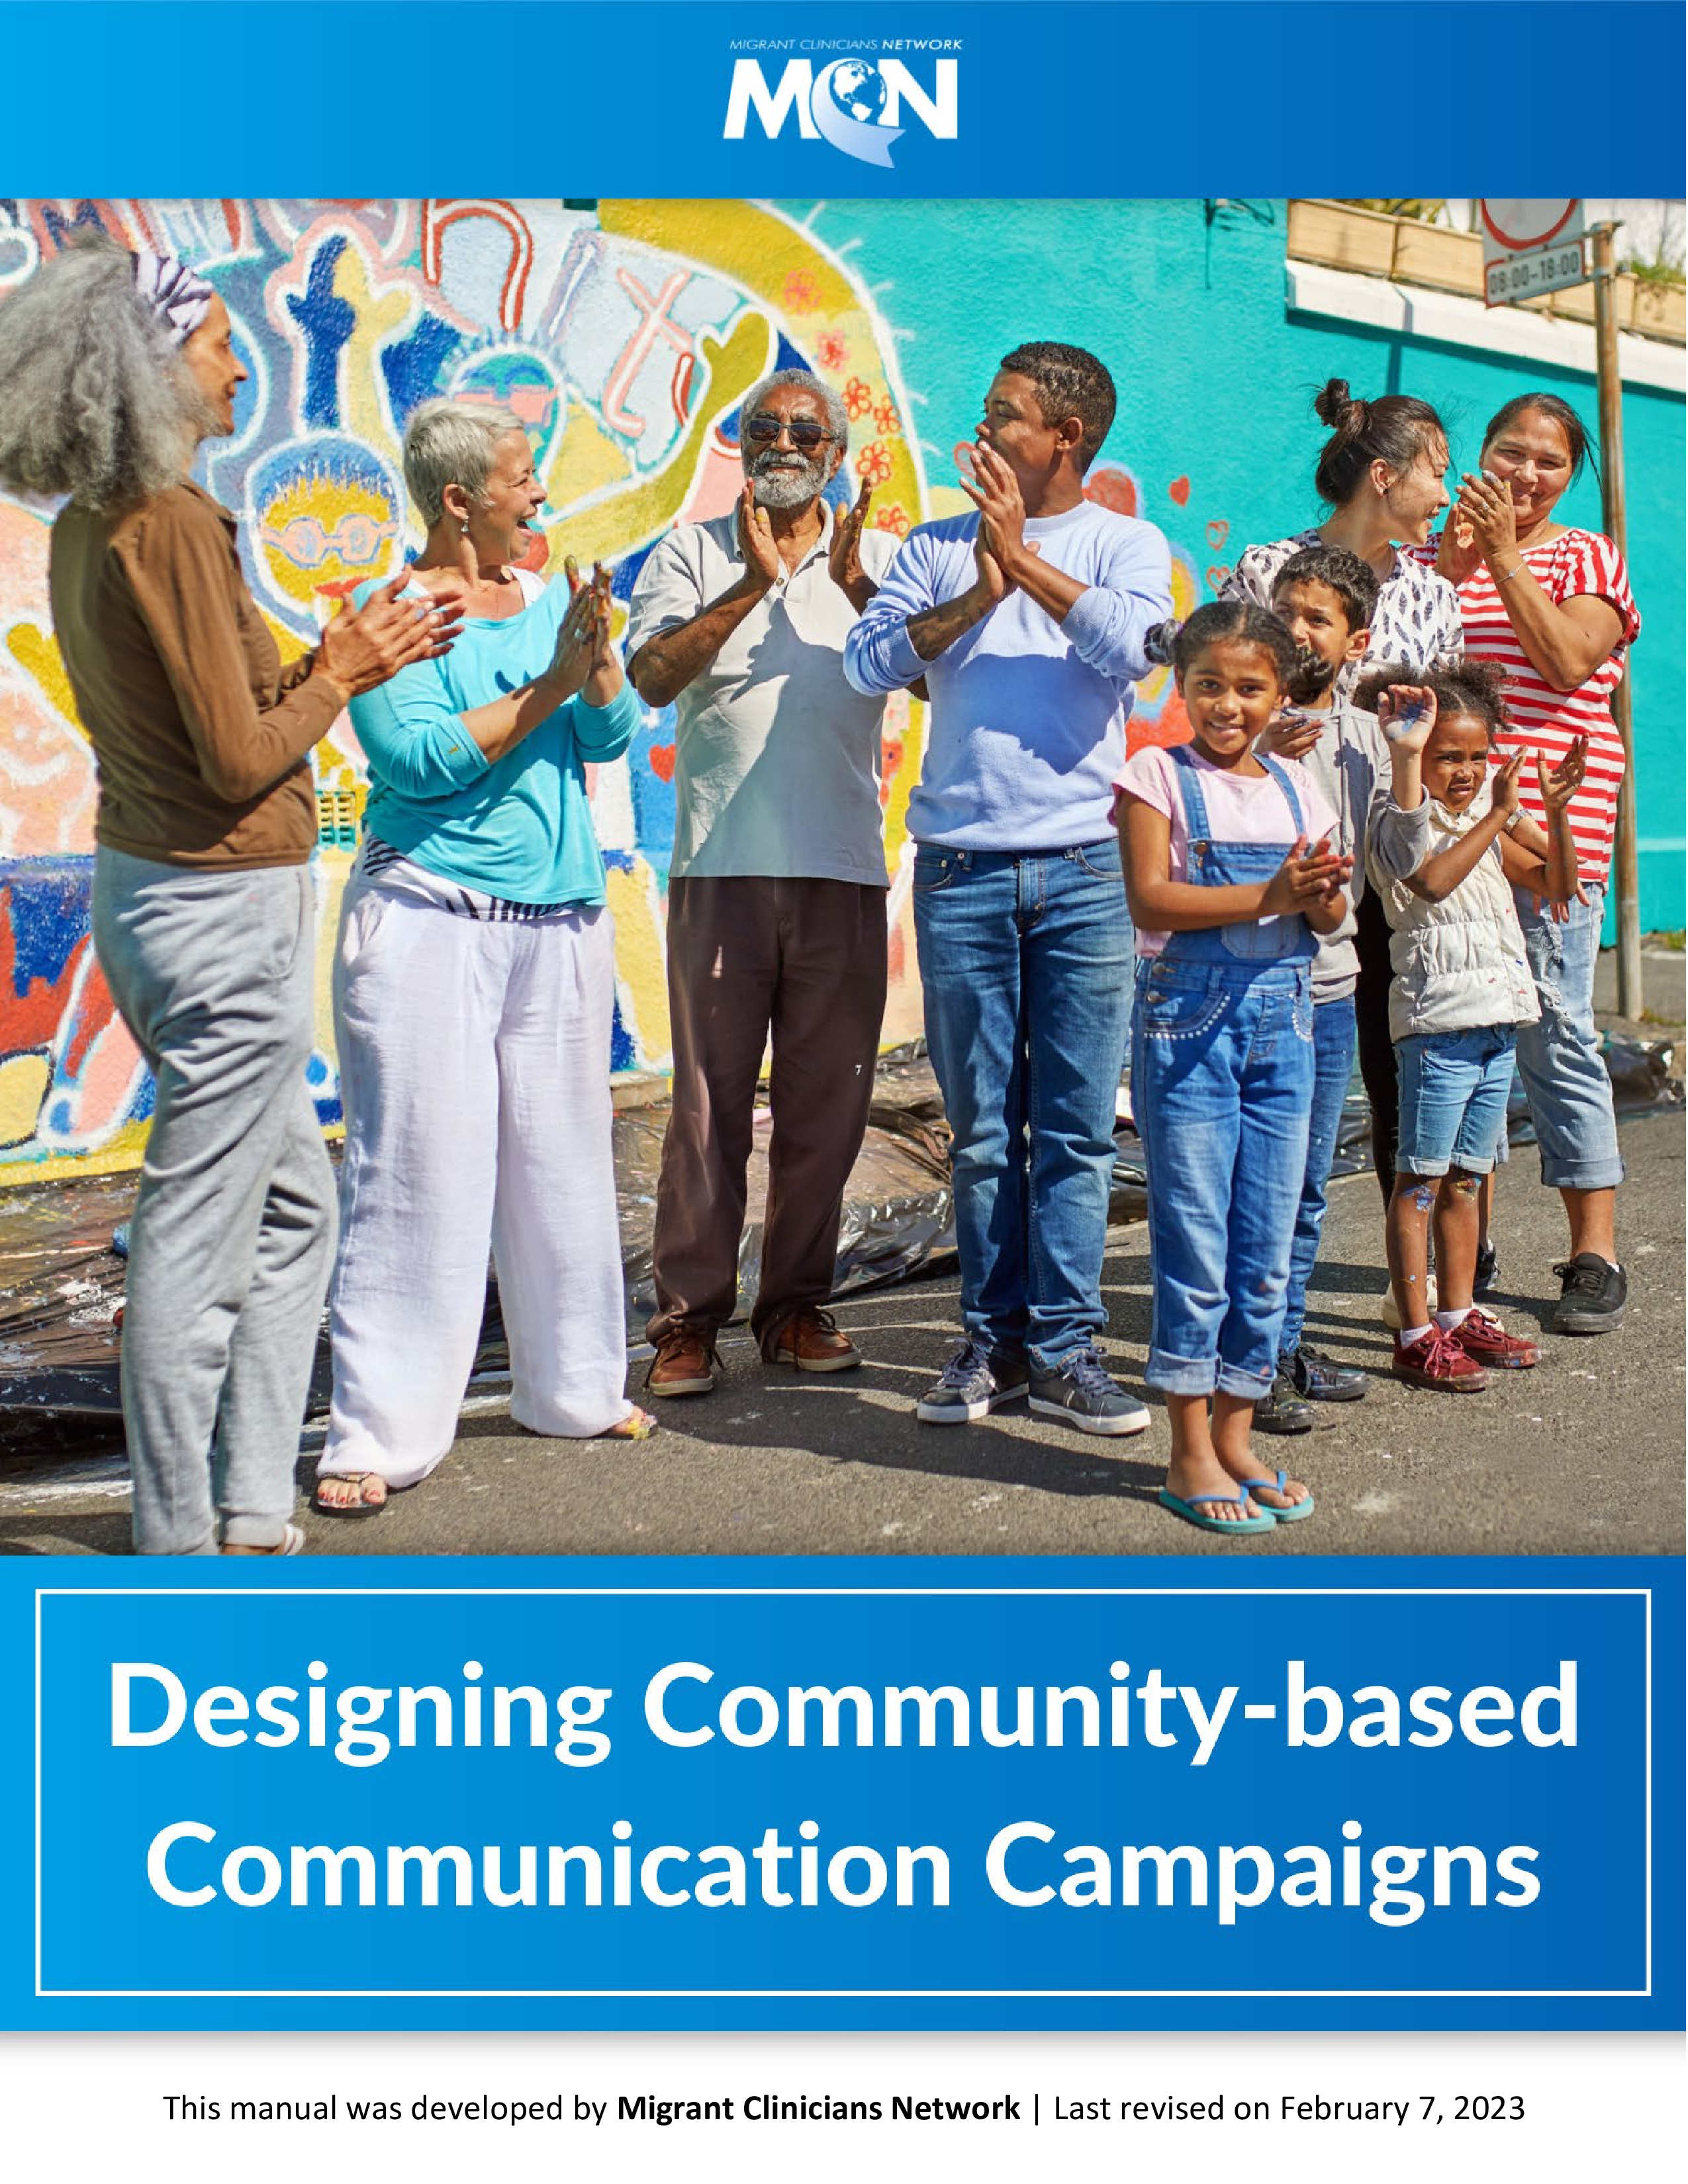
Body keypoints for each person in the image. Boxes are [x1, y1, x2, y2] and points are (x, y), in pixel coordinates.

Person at [0, 236, 455, 1555]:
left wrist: (334, 652)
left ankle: (255, 1503)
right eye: (213, 341)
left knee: (294, 1209)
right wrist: (349, 676)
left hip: (168, 899)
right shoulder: (176, 524)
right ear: (151, 370)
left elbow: (226, 708)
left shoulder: (107, 525)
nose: (238, 357)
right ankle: (180, 1538)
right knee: (198, 1234)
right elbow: (248, 753)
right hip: (217, 918)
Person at [314, 398, 649, 1517]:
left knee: (562, 1171)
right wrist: (553, 679)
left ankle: (577, 1387)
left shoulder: (551, 597)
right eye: (521, 477)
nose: (540, 493)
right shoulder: (391, 614)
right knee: (417, 1173)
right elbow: (413, 760)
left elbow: (608, 740)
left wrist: (594, 661)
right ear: (459, 500)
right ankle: (379, 1433)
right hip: (428, 920)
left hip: (558, 921)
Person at [845, 342, 1173, 1433]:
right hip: (961, 872)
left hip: (1086, 874)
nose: (979, 434)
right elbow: (869, 664)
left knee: (1075, 1132)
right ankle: (991, 1343)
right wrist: (979, 586)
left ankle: (1069, 1349)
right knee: (983, 1132)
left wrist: (1022, 560)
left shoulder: (1127, 543)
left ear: (1066, 436)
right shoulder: (933, 549)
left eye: (1004, 415)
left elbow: (1137, 650)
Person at [625, 370, 897, 1394]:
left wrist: (861, 585)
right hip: (721, 869)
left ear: (834, 453)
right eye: (764, 428)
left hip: (842, 873)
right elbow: (651, 678)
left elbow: (926, 676)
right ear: (741, 445)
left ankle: (792, 1307)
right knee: (706, 1109)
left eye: (805, 429)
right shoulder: (691, 552)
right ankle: (688, 1323)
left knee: (828, 1107)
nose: (783, 440)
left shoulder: (871, 562)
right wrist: (748, 583)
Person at [1223, 381, 1464, 1334]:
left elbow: (1442, 732)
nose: (1445, 493)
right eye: (1435, 473)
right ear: (1383, 474)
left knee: (1398, 1069)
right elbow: (1226, 696)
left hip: (1387, 868)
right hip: (1284, 870)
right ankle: (1258, 1323)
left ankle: (1434, 1284)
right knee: (1288, 1099)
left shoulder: (1430, 593)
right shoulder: (1269, 569)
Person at [1115, 602, 1350, 1531]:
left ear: (1279, 692)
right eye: (1207, 685)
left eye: (1248, 688)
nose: (1226, 705)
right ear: (1181, 687)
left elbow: (1325, 921)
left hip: (1284, 1026)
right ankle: (1186, 1450)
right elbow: (1149, 897)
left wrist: (1319, 900)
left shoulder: (1301, 788)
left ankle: (1237, 1431)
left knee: (1264, 1243)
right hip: (1188, 1031)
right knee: (1196, 1243)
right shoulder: (1154, 775)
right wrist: (1271, 893)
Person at [1434, 393, 1640, 1332]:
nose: (1523, 474)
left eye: (1547, 463)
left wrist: (1505, 559)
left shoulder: (1583, 557)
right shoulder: (1442, 556)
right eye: (1507, 453)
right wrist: (1451, 564)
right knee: (1444, 1036)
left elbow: (1562, 661)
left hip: (1551, 837)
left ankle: (1591, 1251)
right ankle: (1458, 1238)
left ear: (1570, 476)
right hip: (1448, 832)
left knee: (1553, 1032)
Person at [1367, 665, 1585, 1390]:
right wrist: (1498, 812)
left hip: (1495, 1023)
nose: (1464, 772)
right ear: (1415, 754)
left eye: (1477, 757)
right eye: (1447, 757)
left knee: (1467, 1179)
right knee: (1421, 1181)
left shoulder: (1486, 822)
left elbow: (1559, 882)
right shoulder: (1400, 825)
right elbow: (1427, 881)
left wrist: (1550, 811)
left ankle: (1459, 1317)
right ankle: (1414, 1329)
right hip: (1438, 1030)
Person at [1249, 545, 1389, 1431]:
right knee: (1246, 1185)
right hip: (1245, 986)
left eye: (1317, 619)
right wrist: (1254, 752)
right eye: (1286, 611)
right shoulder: (1231, 712)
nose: (1297, 631)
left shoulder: (1369, 737)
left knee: (1303, 1186)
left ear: (1356, 641)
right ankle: (1239, 1359)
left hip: (1330, 991)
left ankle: (1280, 1344)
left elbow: (1398, 870)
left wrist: (1411, 760)